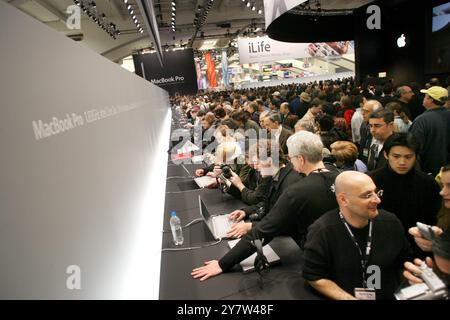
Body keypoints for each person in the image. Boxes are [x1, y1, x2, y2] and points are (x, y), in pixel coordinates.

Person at [191, 131, 339, 281]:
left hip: (317, 259)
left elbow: (265, 230)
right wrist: (247, 213)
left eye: (292, 158)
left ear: (300, 159)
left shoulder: (295, 187)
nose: (291, 162)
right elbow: (269, 205)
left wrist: (223, 264)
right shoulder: (337, 175)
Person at [303, 171, 412, 300]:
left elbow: (403, 262)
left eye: (376, 192)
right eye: (367, 195)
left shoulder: (391, 223)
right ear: (343, 199)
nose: (377, 200)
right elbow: (314, 276)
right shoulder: (323, 231)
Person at [369, 133, 441, 256]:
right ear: (386, 155)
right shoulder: (370, 181)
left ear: (416, 157)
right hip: (378, 247)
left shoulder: (428, 184)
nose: (402, 162)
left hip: (417, 249)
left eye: (408, 157)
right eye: (396, 156)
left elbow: (432, 219)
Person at [409, 86, 450, 176]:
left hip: (429, 172)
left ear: (430, 100)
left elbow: (413, 147)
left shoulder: (421, 120)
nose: (423, 98)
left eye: (425, 96)